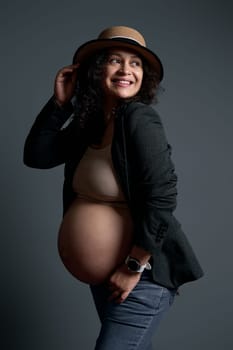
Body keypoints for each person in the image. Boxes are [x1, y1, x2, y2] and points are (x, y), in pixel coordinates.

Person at [24, 26, 204, 350]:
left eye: (135, 63)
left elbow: (163, 197)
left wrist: (133, 265)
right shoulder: (90, 124)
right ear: (96, 70)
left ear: (143, 76)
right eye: (114, 60)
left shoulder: (139, 119)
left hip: (140, 277)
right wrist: (59, 104)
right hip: (107, 279)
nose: (126, 70)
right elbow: (36, 156)